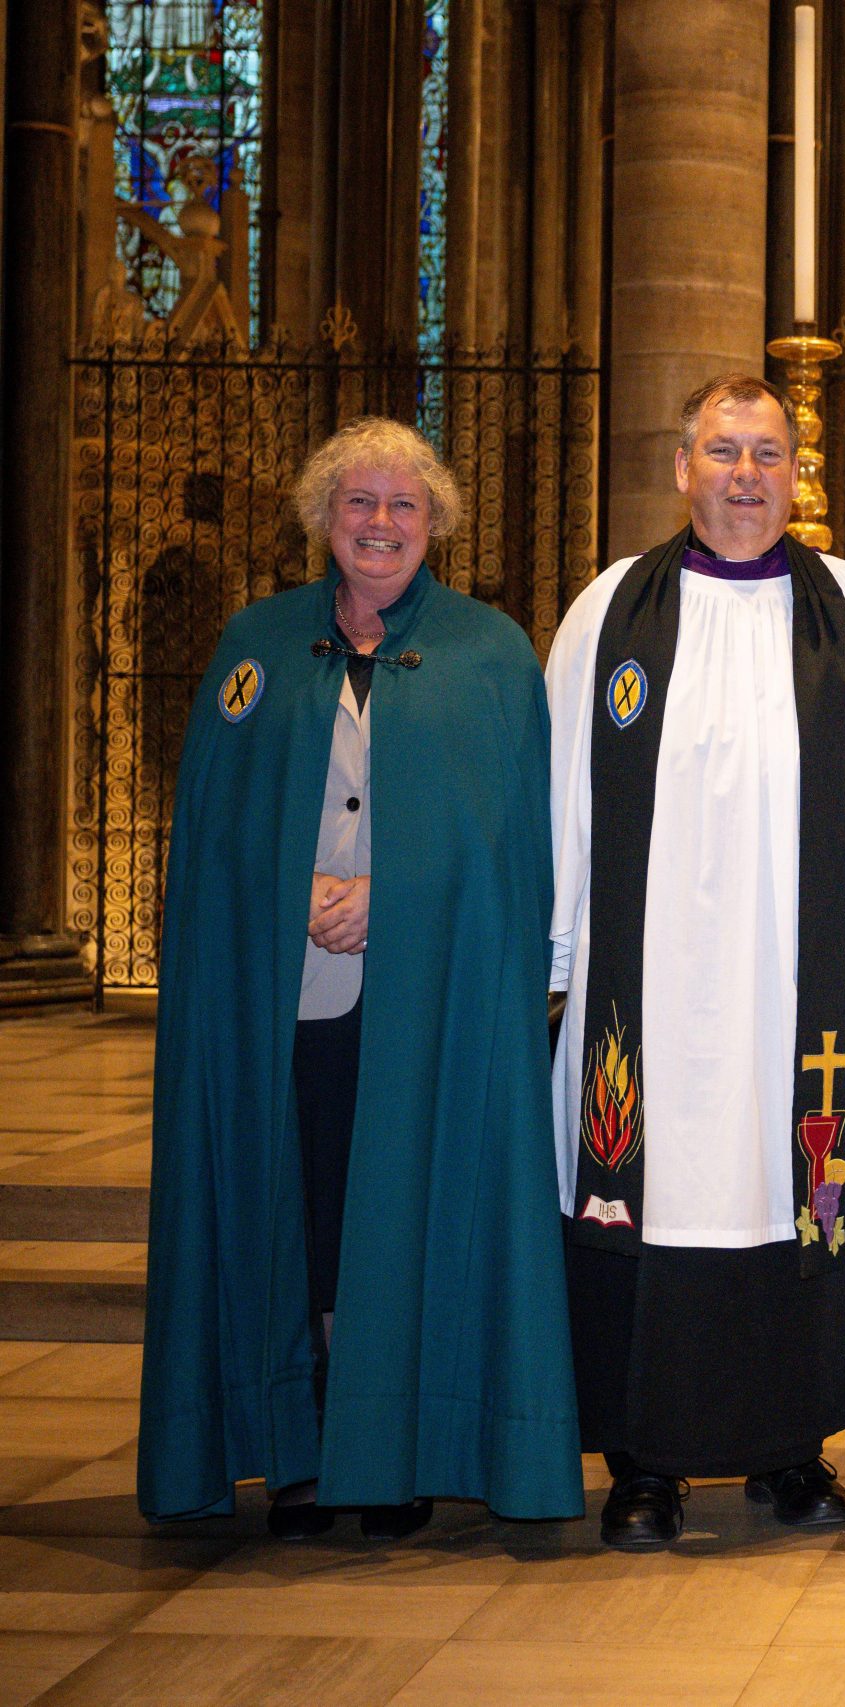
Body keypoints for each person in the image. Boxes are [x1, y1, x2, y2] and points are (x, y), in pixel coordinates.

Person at [140, 418, 582, 1538]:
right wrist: (290, 889)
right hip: (289, 994)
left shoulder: (488, 654)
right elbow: (213, 832)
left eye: (402, 506)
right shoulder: (259, 646)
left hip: (425, 995)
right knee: (311, 1205)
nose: (380, 525)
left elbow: (513, 844)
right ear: (322, 521)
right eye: (358, 505)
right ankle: (306, 1445)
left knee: (412, 1201)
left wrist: (397, 893)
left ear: (434, 523)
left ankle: (396, 1450)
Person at [546, 374, 845, 1549]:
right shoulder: (610, 611)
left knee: (790, 1187)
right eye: (723, 452)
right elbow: (559, 801)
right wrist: (555, 959)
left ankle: (790, 1451)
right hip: (646, 985)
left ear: (800, 474)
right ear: (681, 466)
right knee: (652, 1196)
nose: (746, 476)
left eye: (768, 454)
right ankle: (644, 1465)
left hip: (808, 983)